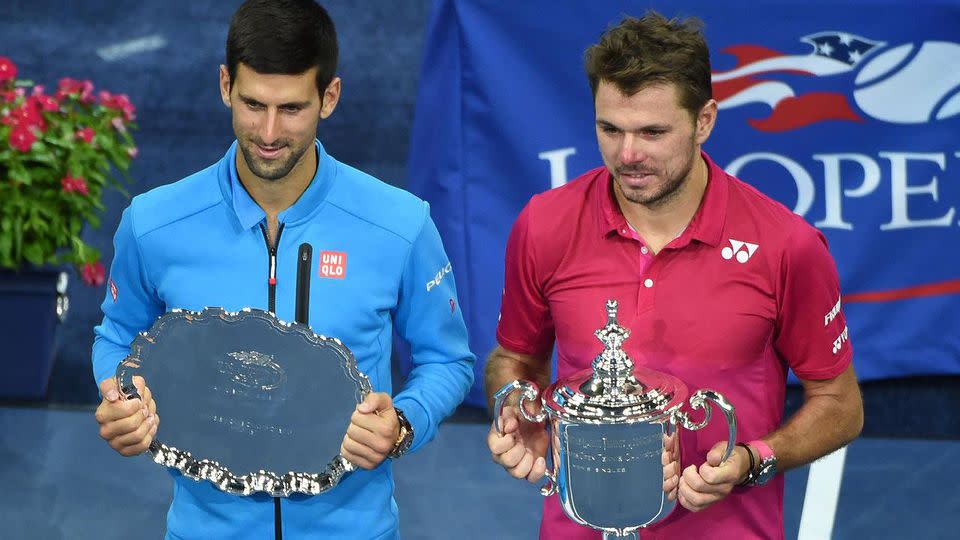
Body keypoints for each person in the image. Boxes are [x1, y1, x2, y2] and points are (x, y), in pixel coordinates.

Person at [91, 1, 474, 538]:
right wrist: (121, 396)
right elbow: (116, 335)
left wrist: (403, 424)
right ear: (225, 85)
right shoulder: (154, 223)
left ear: (329, 97)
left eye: (292, 108)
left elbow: (447, 360)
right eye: (253, 104)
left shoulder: (401, 225)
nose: (268, 132)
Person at [485, 11, 864, 540]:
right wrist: (514, 409)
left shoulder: (787, 245)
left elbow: (840, 405)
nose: (628, 154)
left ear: (704, 120)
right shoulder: (544, 225)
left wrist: (754, 460)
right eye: (609, 129)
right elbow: (514, 360)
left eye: (653, 132)